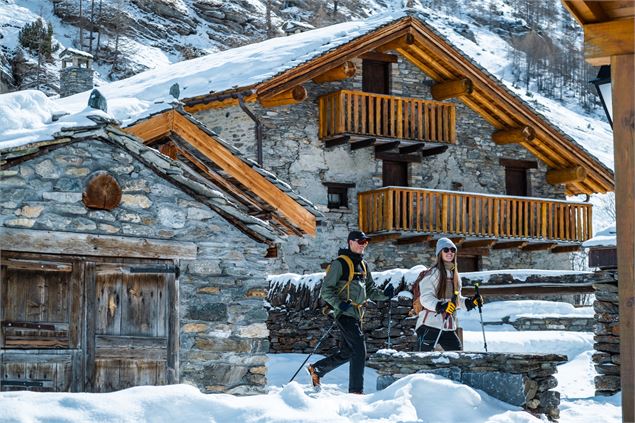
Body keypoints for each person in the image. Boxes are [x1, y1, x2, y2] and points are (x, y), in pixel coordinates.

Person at [307, 230, 394, 394]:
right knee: (359, 350)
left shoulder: (363, 265)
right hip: (344, 313)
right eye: (360, 242)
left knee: (348, 352)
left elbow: (370, 290)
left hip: (356, 314)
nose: (363, 245)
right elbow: (326, 290)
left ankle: (318, 369)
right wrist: (340, 305)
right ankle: (356, 391)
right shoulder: (339, 264)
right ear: (350, 242)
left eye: (365, 242)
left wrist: (385, 295)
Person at [414, 237, 483, 352]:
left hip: (447, 326)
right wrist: (440, 305)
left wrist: (470, 302)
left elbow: (456, 300)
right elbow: (425, 298)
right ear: (439, 253)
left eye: (452, 250)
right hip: (429, 325)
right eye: (446, 250)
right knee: (423, 360)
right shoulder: (432, 274)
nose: (450, 252)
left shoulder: (455, 275)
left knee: (457, 356)